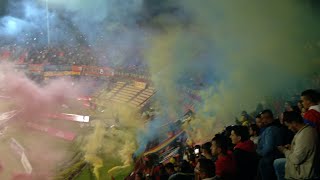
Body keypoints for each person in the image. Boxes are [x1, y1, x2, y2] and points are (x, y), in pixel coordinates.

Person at [274, 111, 319, 180]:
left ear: (294, 122)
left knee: (277, 163)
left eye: (288, 125)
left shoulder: (305, 134)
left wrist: (284, 150)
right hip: (304, 168)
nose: (289, 128)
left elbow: (296, 159)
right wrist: (292, 147)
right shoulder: (306, 130)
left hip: (303, 173)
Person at [256, 110, 284, 180]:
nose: (262, 121)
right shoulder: (277, 127)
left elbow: (268, 148)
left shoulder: (270, 129)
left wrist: (258, 151)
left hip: (269, 160)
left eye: (262, 118)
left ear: (267, 118)